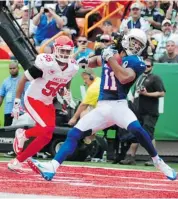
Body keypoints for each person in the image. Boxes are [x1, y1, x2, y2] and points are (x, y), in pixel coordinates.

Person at [27, 29, 176, 181]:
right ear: (126, 40)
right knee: (74, 133)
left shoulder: (137, 62)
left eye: (140, 44)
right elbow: (96, 61)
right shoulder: (110, 53)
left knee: (137, 129)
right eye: (135, 42)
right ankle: (52, 166)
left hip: (119, 106)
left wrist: (110, 59)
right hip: (103, 106)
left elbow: (125, 77)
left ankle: (159, 162)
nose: (137, 46)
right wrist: (84, 61)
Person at [7, 35, 79, 172]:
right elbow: (23, 79)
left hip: (47, 101)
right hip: (33, 98)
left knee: (47, 135)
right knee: (46, 128)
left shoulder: (72, 67)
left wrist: (66, 93)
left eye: (67, 51)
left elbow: (67, 80)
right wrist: (16, 102)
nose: (64, 54)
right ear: (55, 50)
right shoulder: (46, 63)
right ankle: (24, 134)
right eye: (62, 51)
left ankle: (17, 161)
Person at [120, 57, 166, 166]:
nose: (146, 68)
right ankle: (130, 156)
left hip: (150, 111)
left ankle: (154, 159)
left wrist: (147, 94)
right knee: (136, 133)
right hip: (139, 110)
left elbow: (162, 93)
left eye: (148, 66)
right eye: (144, 65)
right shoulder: (140, 77)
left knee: (149, 134)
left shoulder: (155, 78)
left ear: (152, 67)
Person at [68, 68, 101, 144]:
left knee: (83, 112)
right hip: (104, 108)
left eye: (85, 78)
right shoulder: (98, 80)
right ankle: (91, 137)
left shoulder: (93, 88)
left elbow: (83, 105)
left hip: (103, 112)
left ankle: (87, 138)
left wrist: (74, 118)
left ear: (92, 77)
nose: (84, 81)